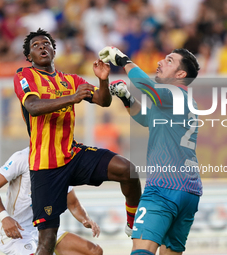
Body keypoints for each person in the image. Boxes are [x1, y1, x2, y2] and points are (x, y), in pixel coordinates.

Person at [13, 29, 141, 255]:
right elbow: (33, 107)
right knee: (47, 241)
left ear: (54, 50)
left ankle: (133, 223)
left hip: (72, 154)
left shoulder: (70, 80)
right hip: (45, 166)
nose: (42, 47)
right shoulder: (24, 76)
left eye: (46, 44)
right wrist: (72, 98)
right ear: (29, 56)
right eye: (36, 46)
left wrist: (103, 81)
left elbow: (103, 101)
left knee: (127, 170)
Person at [99, 46, 203, 255]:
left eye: (169, 61)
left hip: (164, 186)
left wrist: (123, 60)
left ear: (181, 75)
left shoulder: (172, 94)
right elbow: (147, 119)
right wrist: (126, 97)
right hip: (189, 190)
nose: (161, 62)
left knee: (141, 250)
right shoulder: (183, 100)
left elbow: (147, 86)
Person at [0, 147, 103, 255]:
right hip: (16, 233)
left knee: (94, 252)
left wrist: (86, 219)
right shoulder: (22, 158)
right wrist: (4, 217)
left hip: (44, 230)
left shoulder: (61, 164)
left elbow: (73, 203)